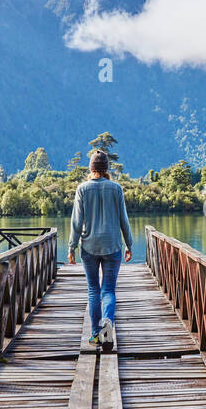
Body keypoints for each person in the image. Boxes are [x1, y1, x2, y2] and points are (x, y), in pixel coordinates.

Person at [68, 150, 133, 351]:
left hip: (89, 246)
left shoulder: (82, 189)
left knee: (93, 290)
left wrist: (71, 247)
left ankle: (97, 334)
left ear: (91, 168)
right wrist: (129, 244)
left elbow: (76, 223)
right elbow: (124, 219)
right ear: (106, 168)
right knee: (108, 290)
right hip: (112, 245)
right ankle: (107, 323)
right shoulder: (116, 189)